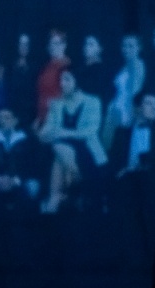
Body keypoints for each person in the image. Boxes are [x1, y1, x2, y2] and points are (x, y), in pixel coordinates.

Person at [38, 69, 105, 213]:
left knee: (58, 148)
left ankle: (54, 199)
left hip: (87, 150)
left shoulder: (93, 101)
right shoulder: (56, 104)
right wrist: (45, 133)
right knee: (58, 149)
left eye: (67, 79)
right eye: (61, 80)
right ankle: (75, 177)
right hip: (64, 152)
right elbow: (46, 131)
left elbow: (90, 131)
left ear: (77, 81)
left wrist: (63, 132)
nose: (62, 84)